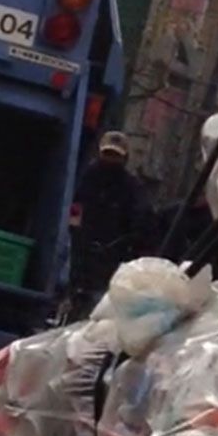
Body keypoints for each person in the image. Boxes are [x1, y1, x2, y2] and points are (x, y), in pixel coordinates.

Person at [70, 132, 152, 310]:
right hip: (80, 253)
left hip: (111, 258)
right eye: (107, 154)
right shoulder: (87, 178)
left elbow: (140, 220)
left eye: (116, 156)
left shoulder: (132, 187)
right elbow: (75, 207)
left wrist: (128, 243)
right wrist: (75, 234)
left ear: (125, 158)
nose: (110, 160)